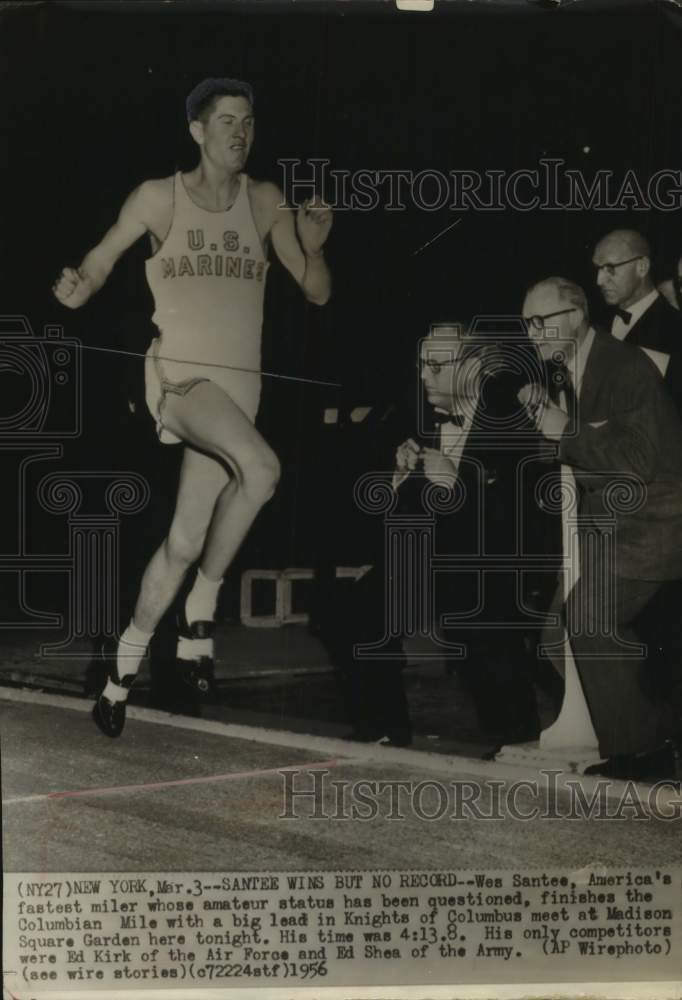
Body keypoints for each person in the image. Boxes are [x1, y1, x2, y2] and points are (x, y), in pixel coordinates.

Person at [52, 77, 332, 737]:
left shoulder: (265, 202)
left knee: (182, 541)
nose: (241, 134)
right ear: (198, 130)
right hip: (180, 383)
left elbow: (316, 293)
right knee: (261, 472)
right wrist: (77, 286)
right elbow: (99, 259)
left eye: (249, 123)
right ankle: (199, 615)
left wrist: (315, 249)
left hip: (238, 396)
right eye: (227, 121)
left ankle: (120, 673)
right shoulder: (159, 198)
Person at [520, 277, 682, 781]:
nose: (532, 334)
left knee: (588, 617)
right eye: (526, 324)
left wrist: (561, 430)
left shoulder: (621, 365)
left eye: (540, 321)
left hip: (653, 524)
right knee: (555, 634)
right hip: (615, 527)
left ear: (574, 315)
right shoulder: (577, 365)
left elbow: (636, 461)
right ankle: (655, 731)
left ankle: (643, 750)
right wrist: (551, 421)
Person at [592, 228, 682, 413]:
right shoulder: (594, 322)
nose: (599, 280)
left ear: (642, 267)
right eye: (598, 269)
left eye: (610, 268)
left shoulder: (676, 329)